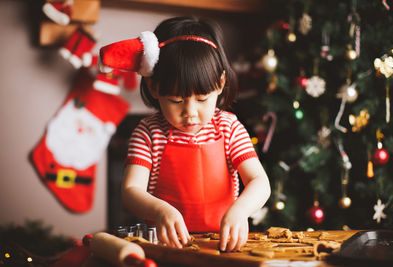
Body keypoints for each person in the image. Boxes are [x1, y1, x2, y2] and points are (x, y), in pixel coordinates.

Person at [99, 16, 271, 252]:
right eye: (176, 100)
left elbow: (260, 182)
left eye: (202, 99)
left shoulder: (229, 127)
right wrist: (161, 211)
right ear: (153, 88)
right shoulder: (148, 132)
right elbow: (131, 191)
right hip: (167, 248)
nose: (190, 113)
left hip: (222, 245)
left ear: (220, 84)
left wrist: (240, 211)